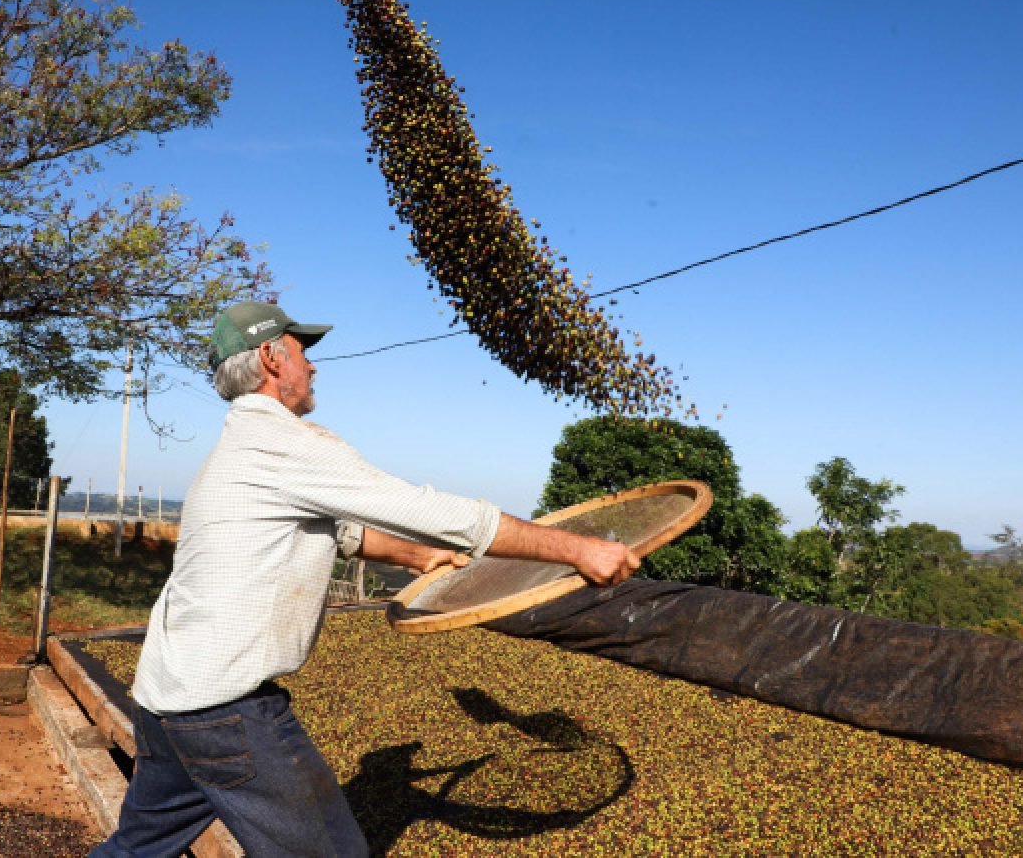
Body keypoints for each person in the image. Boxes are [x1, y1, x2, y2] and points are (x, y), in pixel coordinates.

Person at [92, 301, 639, 857]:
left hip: (163, 695)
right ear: (270, 358)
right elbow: (435, 510)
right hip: (222, 711)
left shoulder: (239, 449)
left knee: (138, 846)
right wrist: (578, 549)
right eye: (303, 354)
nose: (313, 368)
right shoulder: (286, 445)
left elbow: (341, 531)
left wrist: (415, 557)